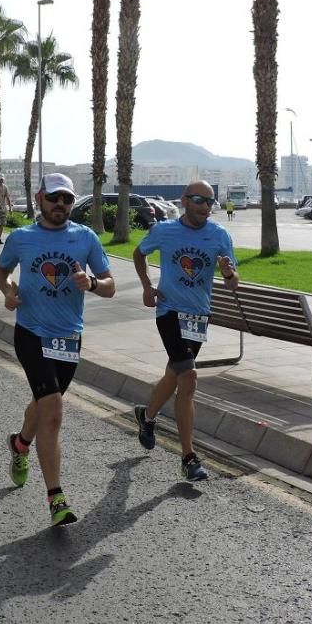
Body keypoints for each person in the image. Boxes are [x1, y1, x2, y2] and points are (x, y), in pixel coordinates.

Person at [0, 173, 115, 526]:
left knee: (45, 405)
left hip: (68, 338)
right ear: (39, 198)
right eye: (54, 198)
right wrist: (9, 292)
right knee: (54, 410)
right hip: (31, 333)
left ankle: (20, 444)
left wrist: (90, 283)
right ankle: (55, 497)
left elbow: (109, 286)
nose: (60, 205)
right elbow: (2, 272)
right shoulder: (21, 238)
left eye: (66, 199)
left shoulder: (85, 237)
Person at [132, 181, 239, 482]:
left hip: (198, 317)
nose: (205, 206)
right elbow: (139, 254)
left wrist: (229, 272)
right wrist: (147, 286)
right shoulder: (165, 231)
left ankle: (146, 416)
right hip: (169, 312)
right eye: (198, 200)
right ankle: (189, 458)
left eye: (210, 201)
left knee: (174, 375)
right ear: (184, 200)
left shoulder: (219, 235)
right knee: (188, 377)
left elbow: (233, 283)